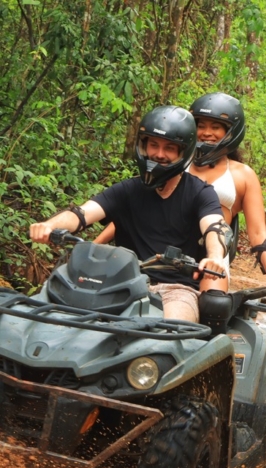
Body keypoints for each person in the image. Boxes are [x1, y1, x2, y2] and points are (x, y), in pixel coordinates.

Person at [29, 105, 230, 323]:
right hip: (118, 283)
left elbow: (215, 226)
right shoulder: (128, 190)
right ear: (143, 146)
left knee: (173, 332)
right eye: (153, 145)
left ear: (184, 152)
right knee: (47, 315)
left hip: (175, 290)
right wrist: (49, 225)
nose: (159, 154)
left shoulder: (200, 192)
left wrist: (215, 257)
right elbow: (81, 213)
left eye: (169, 148)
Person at [188, 92, 266, 296]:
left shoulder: (243, 175)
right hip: (165, 246)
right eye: (201, 125)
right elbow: (135, 206)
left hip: (213, 259)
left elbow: (258, 232)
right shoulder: (176, 163)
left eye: (215, 127)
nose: (207, 132)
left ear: (230, 132)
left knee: (212, 307)